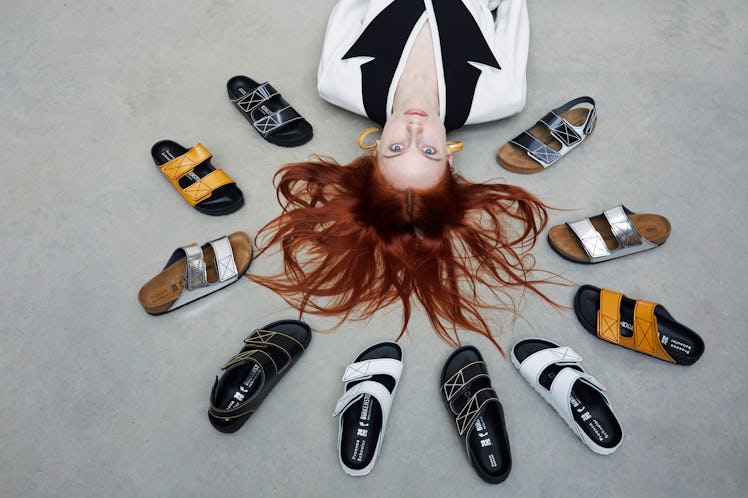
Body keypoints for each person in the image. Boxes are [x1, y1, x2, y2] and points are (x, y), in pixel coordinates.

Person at [250, 0, 556, 352]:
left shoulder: (339, 83)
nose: (415, 128)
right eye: (428, 151)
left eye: (396, 149)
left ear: (375, 150)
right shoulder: (500, 97)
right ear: (450, 161)